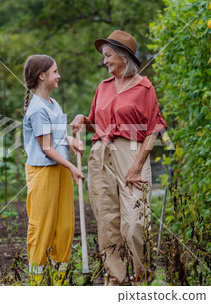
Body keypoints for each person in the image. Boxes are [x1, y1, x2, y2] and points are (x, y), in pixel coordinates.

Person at [70, 30, 168, 285]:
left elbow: (154, 130)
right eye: (104, 56)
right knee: (107, 220)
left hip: (131, 154)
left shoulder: (145, 87)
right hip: (101, 155)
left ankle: (141, 279)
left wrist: (136, 167)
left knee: (135, 221)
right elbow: (95, 124)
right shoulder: (102, 88)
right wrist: (83, 119)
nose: (105, 61)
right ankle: (115, 279)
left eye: (108, 55)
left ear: (125, 57)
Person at [22, 55, 85, 285]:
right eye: (55, 71)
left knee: (65, 226)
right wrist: (71, 168)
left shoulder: (53, 104)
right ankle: (37, 286)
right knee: (43, 227)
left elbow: (56, 138)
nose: (59, 76)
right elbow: (46, 147)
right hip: (43, 172)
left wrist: (70, 140)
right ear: (42, 76)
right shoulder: (37, 109)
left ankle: (58, 284)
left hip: (59, 170)